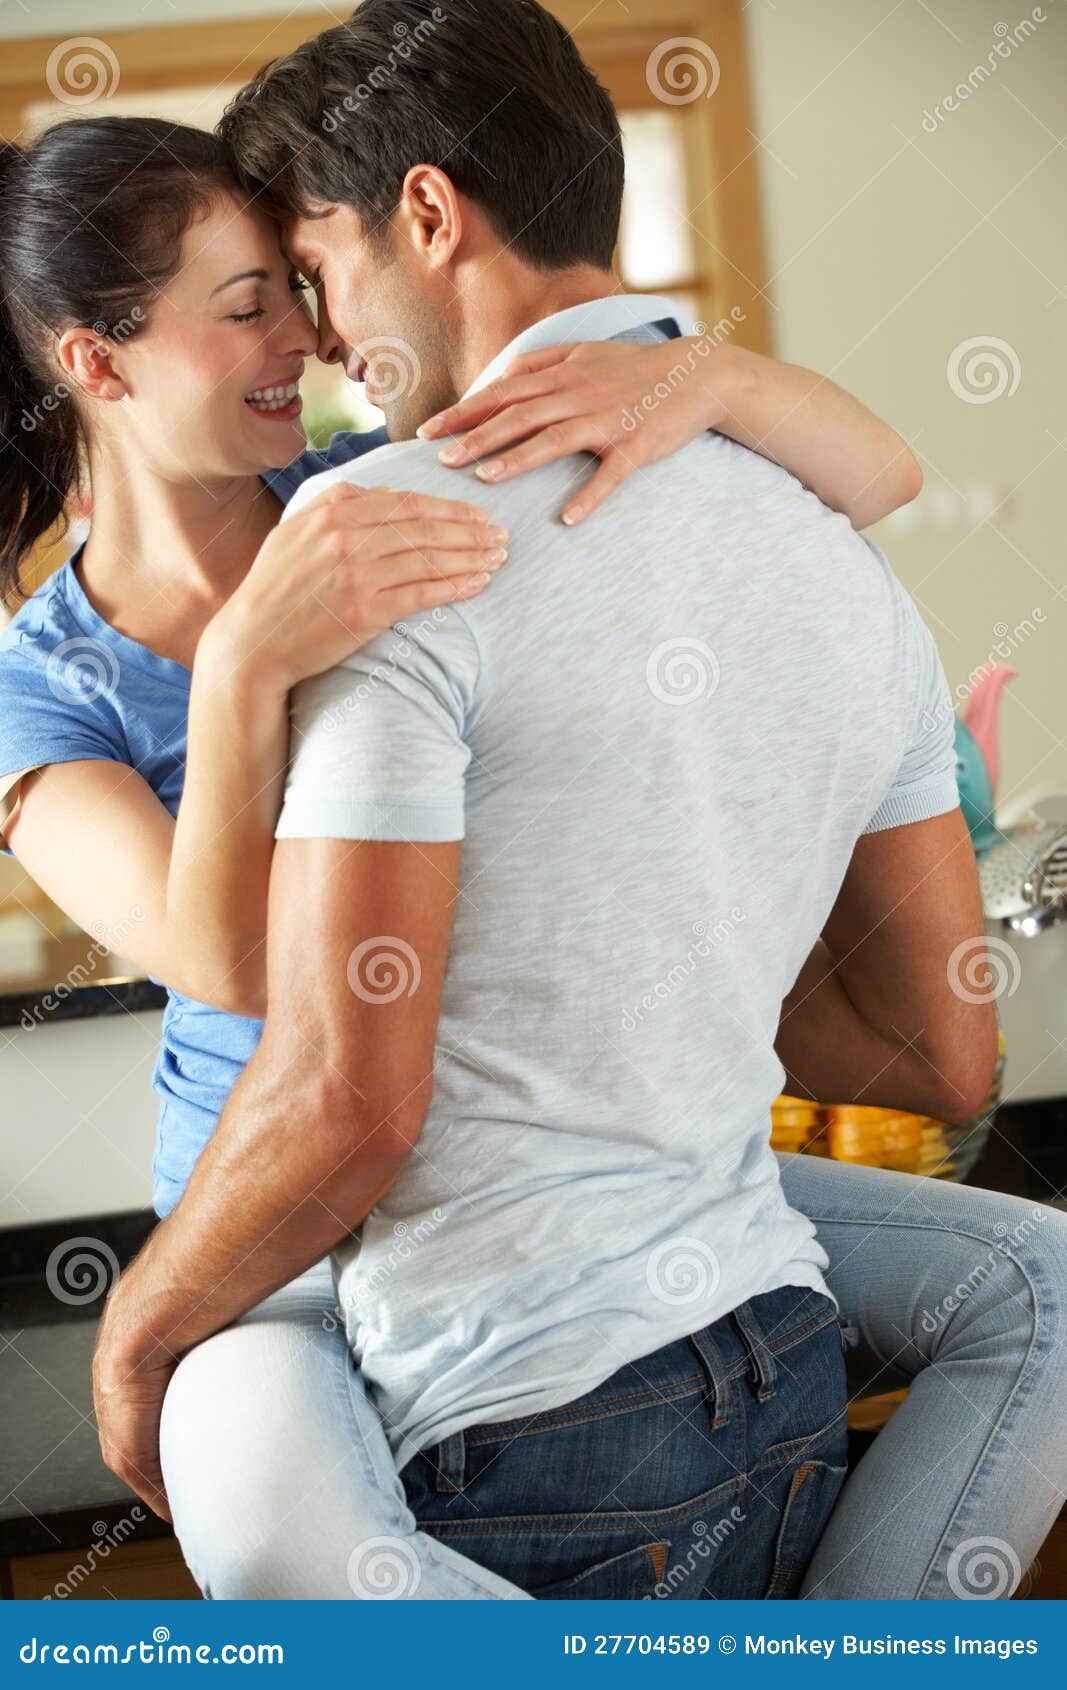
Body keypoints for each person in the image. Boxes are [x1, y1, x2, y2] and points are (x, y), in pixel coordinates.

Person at [67, 0, 1066, 1601]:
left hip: (535, 1426)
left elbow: (348, 1102)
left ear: (429, 215)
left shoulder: (385, 541)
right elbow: (948, 1057)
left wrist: (134, 1329)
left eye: (312, 281)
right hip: (783, 1365)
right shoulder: (834, 545)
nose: (316, 344)